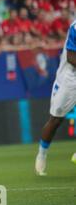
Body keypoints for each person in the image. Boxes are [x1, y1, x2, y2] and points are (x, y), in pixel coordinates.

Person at [35, 19, 76, 176]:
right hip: (70, 78)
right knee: (56, 119)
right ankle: (42, 154)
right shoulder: (75, 28)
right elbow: (72, 58)